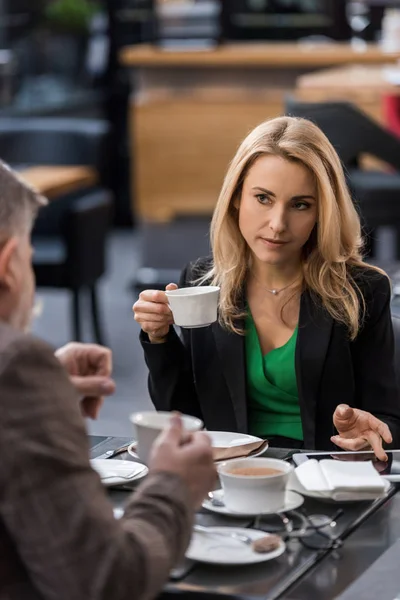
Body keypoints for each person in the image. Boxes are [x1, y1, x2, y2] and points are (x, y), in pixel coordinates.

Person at [0, 161, 216, 600]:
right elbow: (105, 582)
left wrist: (44, 398)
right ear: (9, 266)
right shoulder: (17, 366)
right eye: (28, 256)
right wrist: (171, 486)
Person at [133, 116, 400, 461]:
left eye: (300, 205)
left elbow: (390, 421)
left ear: (323, 212)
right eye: (263, 198)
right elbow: (183, 419)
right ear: (235, 198)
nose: (277, 224)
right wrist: (159, 339)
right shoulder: (201, 283)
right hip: (231, 477)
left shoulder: (363, 291)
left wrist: (368, 435)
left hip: (325, 476)